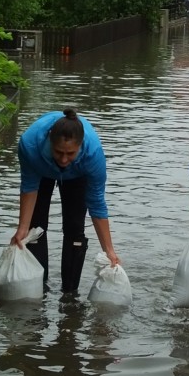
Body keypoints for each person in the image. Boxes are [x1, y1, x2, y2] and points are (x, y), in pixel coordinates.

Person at [11, 107, 120, 293]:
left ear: (80, 145)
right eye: (59, 152)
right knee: (34, 229)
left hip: (78, 173)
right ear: (50, 142)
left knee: (74, 229)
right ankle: (39, 287)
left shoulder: (93, 154)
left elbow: (97, 203)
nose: (63, 159)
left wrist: (108, 250)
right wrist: (21, 229)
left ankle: (70, 294)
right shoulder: (29, 146)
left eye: (70, 153)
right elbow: (29, 186)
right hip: (41, 168)